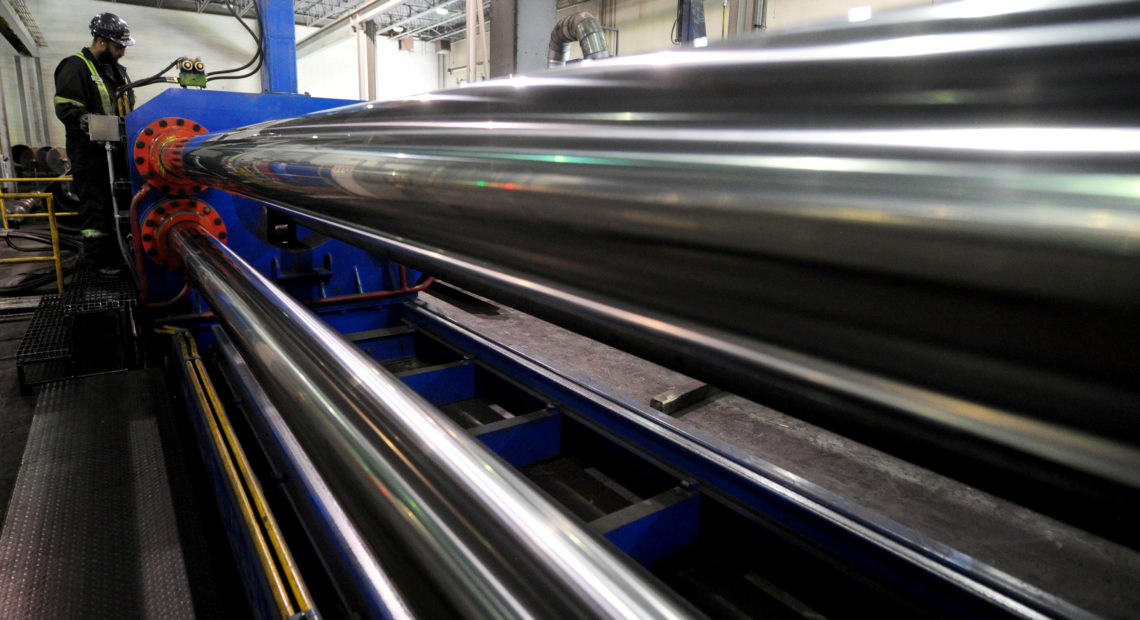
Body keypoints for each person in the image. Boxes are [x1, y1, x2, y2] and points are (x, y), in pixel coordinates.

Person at [53, 13, 136, 276]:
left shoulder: (119, 71)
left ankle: (124, 254)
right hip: (90, 155)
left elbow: (127, 108)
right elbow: (66, 108)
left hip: (119, 151)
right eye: (118, 46)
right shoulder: (75, 67)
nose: (122, 51)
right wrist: (88, 123)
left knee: (123, 204)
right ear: (100, 41)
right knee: (97, 208)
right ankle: (99, 263)